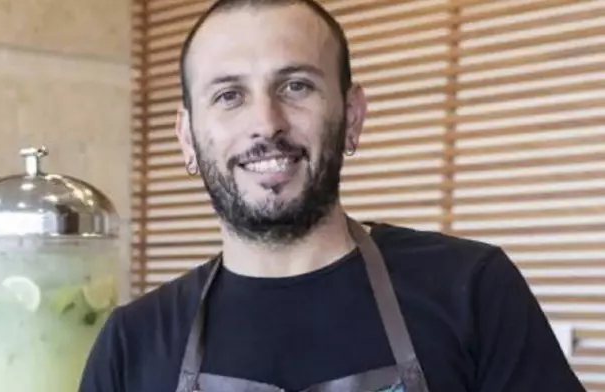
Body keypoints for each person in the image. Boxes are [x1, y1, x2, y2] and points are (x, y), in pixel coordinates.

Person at [79, 0, 587, 391]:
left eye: (296, 86)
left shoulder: (471, 290)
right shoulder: (132, 344)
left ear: (352, 117)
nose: (266, 123)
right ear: (188, 138)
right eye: (229, 95)